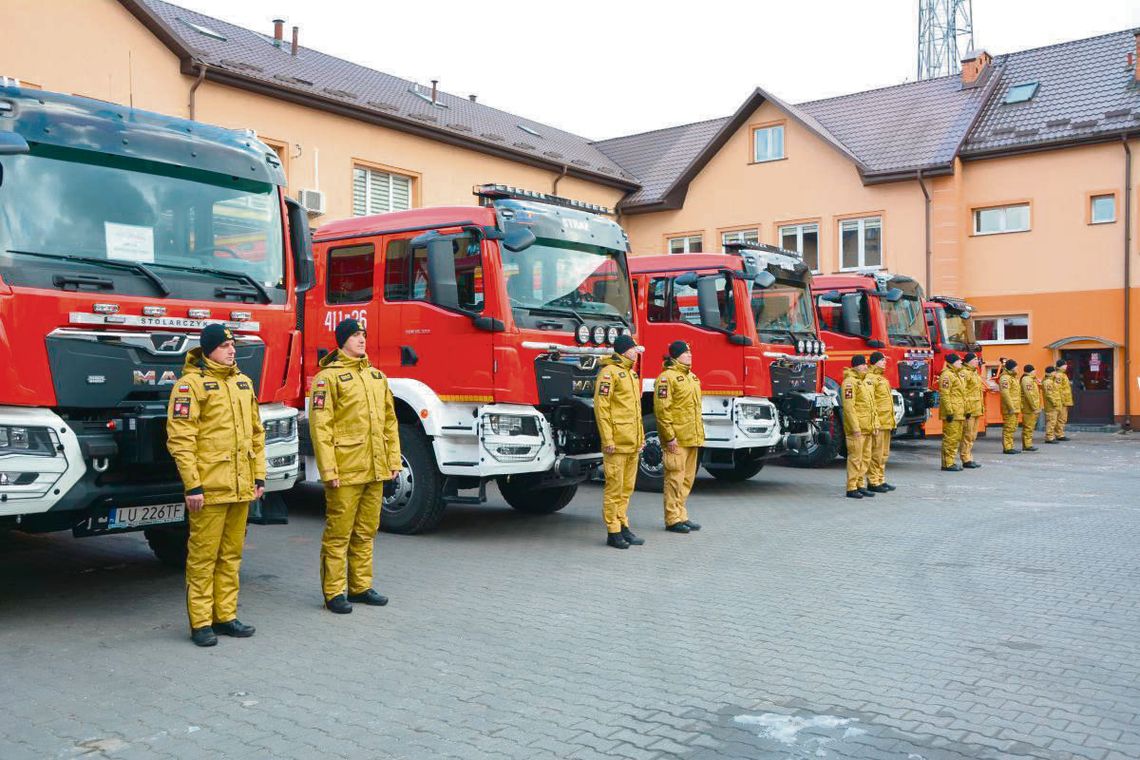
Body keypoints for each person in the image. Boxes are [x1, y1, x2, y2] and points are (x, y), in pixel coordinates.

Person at [166, 324, 265, 647]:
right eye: (224, 346)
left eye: (232, 344)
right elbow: (181, 439)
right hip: (209, 488)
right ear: (208, 350)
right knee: (203, 558)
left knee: (231, 555)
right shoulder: (189, 386)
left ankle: (226, 616)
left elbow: (256, 434)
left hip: (240, 486)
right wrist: (193, 486)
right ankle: (201, 622)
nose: (232, 350)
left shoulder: (242, 383)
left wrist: (258, 476)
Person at [309, 318, 402, 614]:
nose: (362, 339)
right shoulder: (328, 379)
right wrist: (329, 470)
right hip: (346, 469)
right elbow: (320, 428)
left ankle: (360, 587)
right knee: (339, 533)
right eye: (355, 335)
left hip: (374, 468)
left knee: (366, 530)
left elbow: (390, 422)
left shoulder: (377, 377)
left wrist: (393, 459)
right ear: (342, 341)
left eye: (363, 334)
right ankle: (334, 592)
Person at [594, 333, 645, 549]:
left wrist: (641, 437)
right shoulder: (609, 374)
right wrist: (608, 439)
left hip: (632, 442)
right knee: (614, 489)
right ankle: (613, 531)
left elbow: (636, 412)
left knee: (626, 488)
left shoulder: (631, 375)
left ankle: (623, 525)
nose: (636, 352)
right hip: (616, 442)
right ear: (625, 350)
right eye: (634, 348)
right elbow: (602, 408)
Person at [654, 340, 705, 533]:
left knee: (687, 479)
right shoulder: (667, 378)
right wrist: (669, 437)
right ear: (676, 356)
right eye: (686, 353)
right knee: (674, 478)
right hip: (677, 439)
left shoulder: (692, 377)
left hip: (692, 437)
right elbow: (662, 410)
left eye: (690, 353)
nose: (690, 355)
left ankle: (681, 514)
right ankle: (672, 518)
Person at [841, 355, 876, 499]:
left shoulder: (864, 382)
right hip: (857, 429)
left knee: (865, 458)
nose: (865, 367)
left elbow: (871, 407)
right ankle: (851, 487)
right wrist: (855, 427)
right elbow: (849, 408)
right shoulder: (849, 383)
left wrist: (874, 425)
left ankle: (860, 485)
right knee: (855, 458)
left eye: (865, 364)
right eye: (862, 365)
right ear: (855, 366)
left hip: (867, 427)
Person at [865, 351, 896, 492]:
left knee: (883, 454)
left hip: (887, 422)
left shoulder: (882, 379)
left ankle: (880, 479)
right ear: (875, 362)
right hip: (879, 423)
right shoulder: (870, 379)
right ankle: (873, 481)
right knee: (876, 453)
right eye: (882, 360)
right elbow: (871, 403)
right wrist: (875, 422)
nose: (885, 362)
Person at [938, 353, 966, 471]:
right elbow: (945, 394)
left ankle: (951, 461)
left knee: (956, 438)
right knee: (950, 438)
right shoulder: (947, 375)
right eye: (959, 361)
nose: (961, 363)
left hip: (959, 411)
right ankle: (947, 463)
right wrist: (949, 411)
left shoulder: (956, 375)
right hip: (952, 412)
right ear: (953, 362)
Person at [958, 352, 983, 469]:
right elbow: (963, 393)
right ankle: (965, 458)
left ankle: (969, 456)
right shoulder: (964, 373)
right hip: (969, 409)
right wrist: (966, 409)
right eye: (975, 359)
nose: (977, 361)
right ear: (968, 361)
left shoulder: (975, 373)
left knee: (973, 435)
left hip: (976, 408)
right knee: (967, 435)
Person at [998, 359, 1022, 455]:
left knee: (1012, 427)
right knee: (1008, 428)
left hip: (1015, 407)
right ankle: (1007, 447)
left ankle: (1010, 446)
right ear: (1012, 368)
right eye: (1016, 367)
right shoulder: (1005, 378)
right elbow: (1005, 394)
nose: (1018, 368)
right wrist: (1011, 407)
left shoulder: (1013, 378)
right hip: (1010, 408)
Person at [1020, 364, 1041, 452]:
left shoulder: (1031, 379)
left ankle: (1028, 444)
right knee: (1028, 427)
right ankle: (1027, 445)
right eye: (1034, 370)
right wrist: (1034, 407)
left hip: (1031, 407)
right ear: (1031, 371)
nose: (1035, 372)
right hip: (1029, 408)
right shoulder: (1027, 380)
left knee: (1030, 426)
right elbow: (1029, 395)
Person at [1042, 366, 1064, 443]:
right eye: (1054, 372)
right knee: (1051, 421)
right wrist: (1055, 403)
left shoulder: (1051, 381)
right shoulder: (1048, 382)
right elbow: (1049, 394)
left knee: (1053, 421)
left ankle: (1051, 436)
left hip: (1053, 405)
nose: (1055, 373)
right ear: (1052, 373)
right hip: (1051, 406)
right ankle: (1049, 437)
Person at [1055, 358, 1074, 440]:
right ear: (1061, 366)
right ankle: (1059, 435)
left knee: (1063, 418)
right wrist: (1062, 400)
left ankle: (1060, 433)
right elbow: (1057, 388)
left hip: (1064, 400)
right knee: (1061, 418)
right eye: (1065, 365)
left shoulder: (1063, 374)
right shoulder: (1059, 375)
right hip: (1062, 401)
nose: (1066, 366)